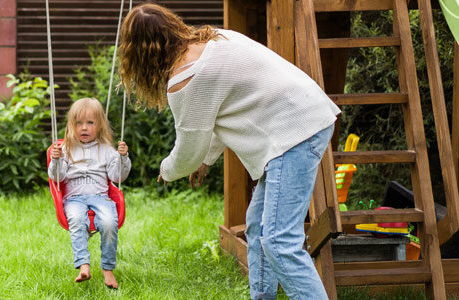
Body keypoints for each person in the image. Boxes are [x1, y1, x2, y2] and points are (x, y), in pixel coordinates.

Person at [118, 4, 340, 299]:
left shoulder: (186, 79)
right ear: (171, 26)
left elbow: (187, 151)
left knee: (279, 242)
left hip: (293, 134)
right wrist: (207, 160)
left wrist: (166, 170)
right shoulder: (215, 40)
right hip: (304, 117)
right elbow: (217, 115)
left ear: (141, 53)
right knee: (258, 229)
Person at [48, 98, 131, 289]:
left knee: (110, 223)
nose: (84, 128)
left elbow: (117, 176)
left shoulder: (107, 150)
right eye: (79, 123)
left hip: (100, 197)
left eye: (90, 123)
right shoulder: (66, 149)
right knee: (76, 220)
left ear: (100, 125)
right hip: (74, 200)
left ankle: (107, 269)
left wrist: (123, 158)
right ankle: (83, 265)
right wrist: (56, 161)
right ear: (71, 125)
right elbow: (57, 177)